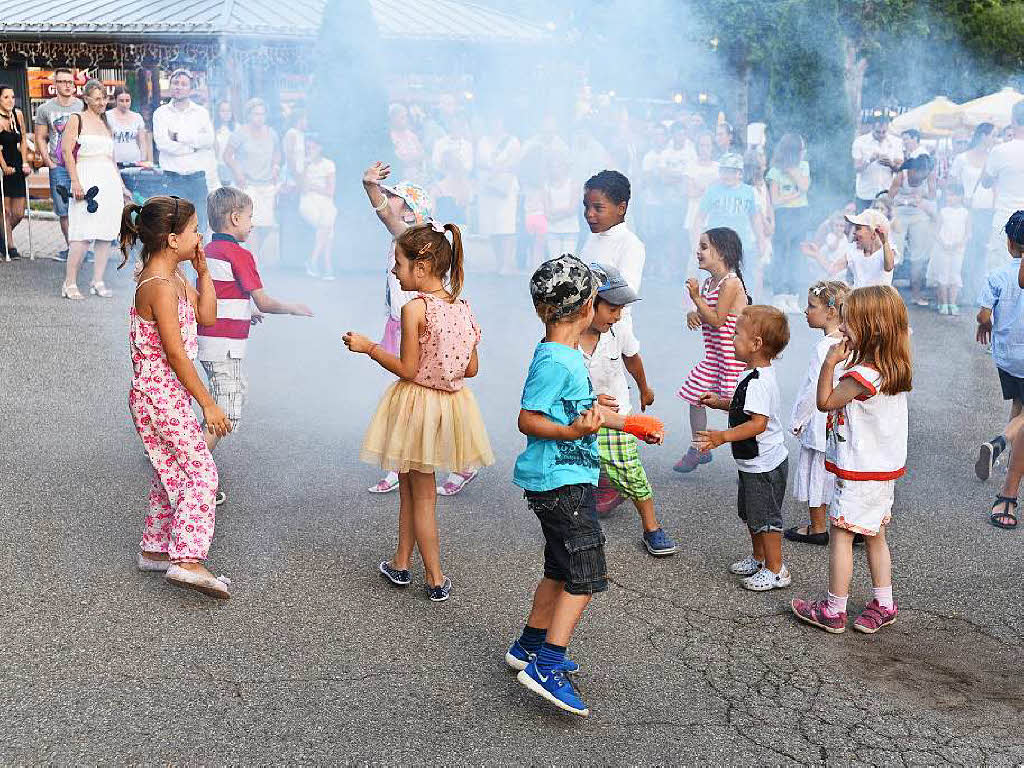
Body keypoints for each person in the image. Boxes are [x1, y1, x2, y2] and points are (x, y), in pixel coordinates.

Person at [506, 254, 659, 718]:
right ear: (590, 304)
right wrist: (574, 433)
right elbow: (527, 419)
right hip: (561, 482)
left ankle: (529, 646)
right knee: (586, 573)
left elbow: (583, 412)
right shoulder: (556, 360)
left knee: (559, 566)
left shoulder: (567, 355)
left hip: (566, 477)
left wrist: (628, 424)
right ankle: (548, 665)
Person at [342, 222, 494, 602]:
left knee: (422, 494)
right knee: (410, 487)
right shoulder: (463, 308)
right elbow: (471, 368)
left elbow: (409, 369)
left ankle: (435, 577)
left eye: (398, 262)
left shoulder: (415, 309)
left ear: (421, 267)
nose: (394, 270)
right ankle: (400, 562)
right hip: (451, 405)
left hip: (418, 405)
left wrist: (369, 347)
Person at [119, 195, 232, 599]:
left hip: (161, 393)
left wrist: (203, 273)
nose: (200, 236)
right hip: (159, 393)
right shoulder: (158, 286)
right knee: (201, 474)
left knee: (171, 470)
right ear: (171, 239)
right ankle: (187, 560)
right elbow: (176, 354)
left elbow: (207, 317)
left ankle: (155, 548)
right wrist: (209, 403)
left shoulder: (175, 277)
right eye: (195, 230)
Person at [791, 285, 912, 634]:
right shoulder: (891, 367)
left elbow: (826, 401)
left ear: (872, 329)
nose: (841, 329)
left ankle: (833, 609)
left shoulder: (862, 377)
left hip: (859, 472)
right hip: (880, 471)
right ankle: (884, 602)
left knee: (841, 533)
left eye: (848, 324)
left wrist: (830, 362)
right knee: (875, 534)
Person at [361, 161, 482, 497]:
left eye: (395, 197)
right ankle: (401, 464)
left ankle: (458, 463)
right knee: (408, 400)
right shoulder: (411, 240)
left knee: (428, 396)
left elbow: (385, 215)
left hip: (421, 325)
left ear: (412, 213)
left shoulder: (415, 240)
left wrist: (370, 186)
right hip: (400, 323)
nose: (388, 198)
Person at [198, 186, 313, 505]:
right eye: (249, 218)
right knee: (226, 414)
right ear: (234, 218)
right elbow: (262, 298)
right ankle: (190, 474)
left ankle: (189, 462)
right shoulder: (240, 254)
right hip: (225, 345)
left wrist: (247, 311)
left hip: (211, 338)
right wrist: (291, 307)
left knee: (229, 396)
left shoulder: (210, 250)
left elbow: (221, 293)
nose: (252, 224)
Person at [694, 305, 792, 591]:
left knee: (766, 518)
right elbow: (743, 406)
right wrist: (719, 401)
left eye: (737, 334)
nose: (732, 338)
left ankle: (776, 570)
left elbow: (757, 423)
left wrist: (722, 436)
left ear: (756, 344)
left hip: (764, 465)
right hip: (752, 462)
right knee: (751, 513)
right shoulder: (749, 373)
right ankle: (759, 558)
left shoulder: (760, 381)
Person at [580, 263, 676, 555]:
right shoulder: (564, 338)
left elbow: (632, 358)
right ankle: (578, 528)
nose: (618, 314)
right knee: (579, 471)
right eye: (611, 307)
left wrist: (645, 388)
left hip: (617, 416)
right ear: (587, 304)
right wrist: (589, 401)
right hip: (579, 417)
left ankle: (652, 527)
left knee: (630, 470)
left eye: (621, 308)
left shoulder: (618, 329)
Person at [675, 227, 750, 473]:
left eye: (704, 247)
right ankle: (699, 447)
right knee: (695, 395)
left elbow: (718, 320)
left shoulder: (730, 283)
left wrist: (696, 299)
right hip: (714, 357)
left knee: (739, 410)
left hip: (733, 360)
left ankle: (750, 463)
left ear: (723, 253)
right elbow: (707, 315)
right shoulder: (710, 283)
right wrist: (693, 314)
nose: (698, 251)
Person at [786, 280, 850, 546]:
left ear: (831, 312)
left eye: (812, 306)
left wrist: (798, 419)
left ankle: (818, 526)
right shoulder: (848, 342)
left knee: (817, 468)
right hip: (840, 418)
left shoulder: (824, 347)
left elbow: (813, 387)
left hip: (820, 417)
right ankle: (846, 523)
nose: (805, 310)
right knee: (837, 471)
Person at [60, 79, 131, 300]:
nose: (102, 102)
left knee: (105, 233)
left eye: (104, 98)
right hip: (86, 176)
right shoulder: (76, 119)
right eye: (98, 98)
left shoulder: (106, 122)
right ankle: (69, 282)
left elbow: (112, 158)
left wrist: (121, 186)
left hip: (108, 179)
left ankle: (97, 280)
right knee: (82, 234)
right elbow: (66, 152)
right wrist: (75, 181)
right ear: (86, 98)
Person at [974, 211, 1024, 528]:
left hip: (1007, 357)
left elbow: (982, 315)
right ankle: (1000, 444)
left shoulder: (997, 275)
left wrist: (987, 324)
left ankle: (1005, 457)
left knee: (1020, 407)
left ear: (1008, 242)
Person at [579, 170, 645, 339]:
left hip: (612, 333)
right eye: (586, 206)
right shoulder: (592, 238)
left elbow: (625, 295)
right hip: (583, 327)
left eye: (598, 208)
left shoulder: (630, 244)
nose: (589, 214)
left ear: (621, 208)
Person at [153, 70, 216, 230]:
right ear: (170, 86)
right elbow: (163, 144)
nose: (179, 87)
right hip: (172, 178)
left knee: (199, 226)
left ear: (190, 88)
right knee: (173, 227)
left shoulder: (201, 113)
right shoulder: (161, 113)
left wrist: (178, 137)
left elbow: (208, 141)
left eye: (183, 84)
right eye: (175, 83)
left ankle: (197, 256)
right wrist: (194, 148)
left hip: (197, 178)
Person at [33, 68, 83, 260]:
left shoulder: (82, 106)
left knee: (82, 205)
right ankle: (72, 249)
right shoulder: (45, 109)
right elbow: (40, 138)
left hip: (80, 164)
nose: (67, 85)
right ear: (55, 84)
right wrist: (49, 163)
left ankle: (83, 248)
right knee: (63, 209)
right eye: (62, 81)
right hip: (59, 166)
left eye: (70, 82)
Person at [224, 98, 280, 261]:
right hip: (247, 184)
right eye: (256, 114)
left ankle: (249, 255)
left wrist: (276, 167)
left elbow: (277, 153)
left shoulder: (272, 133)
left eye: (262, 114)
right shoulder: (240, 133)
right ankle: (253, 258)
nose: (259, 117)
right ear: (249, 115)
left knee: (267, 225)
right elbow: (227, 155)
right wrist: (238, 172)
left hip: (267, 183)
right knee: (252, 224)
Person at [693, 153, 765, 281]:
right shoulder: (713, 191)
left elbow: (755, 218)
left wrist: (761, 240)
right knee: (713, 280)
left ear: (740, 174)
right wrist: (697, 241)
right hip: (716, 244)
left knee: (743, 281)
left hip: (742, 243)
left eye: (732, 172)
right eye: (724, 171)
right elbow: (700, 217)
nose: (727, 175)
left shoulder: (749, 192)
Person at [951, 122, 996, 304]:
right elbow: (952, 185)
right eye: (993, 134)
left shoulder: (993, 158)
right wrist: (961, 200)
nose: (995, 138)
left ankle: (978, 292)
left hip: (987, 211)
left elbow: (996, 185)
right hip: (966, 211)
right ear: (984, 136)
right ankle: (963, 293)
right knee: (965, 251)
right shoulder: (962, 158)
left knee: (981, 252)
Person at [767, 133, 811, 313]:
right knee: (781, 254)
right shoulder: (775, 171)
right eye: (801, 149)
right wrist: (796, 194)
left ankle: (793, 297)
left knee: (796, 255)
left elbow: (805, 186)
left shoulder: (803, 166)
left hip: (800, 213)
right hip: (783, 215)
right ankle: (779, 295)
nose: (804, 152)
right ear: (794, 151)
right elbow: (775, 200)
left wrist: (792, 171)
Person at [981, 102, 1024, 275]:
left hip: (1005, 221)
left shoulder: (1000, 151)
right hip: (1007, 219)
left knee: (1001, 273)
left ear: (1013, 121)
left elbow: (985, 182)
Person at [803, 209, 896, 288]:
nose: (854, 233)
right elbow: (832, 270)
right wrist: (816, 254)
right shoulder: (853, 251)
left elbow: (888, 267)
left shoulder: (886, 249)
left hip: (880, 304)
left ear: (874, 233)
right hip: (859, 303)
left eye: (858, 228)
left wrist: (885, 242)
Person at [889, 153, 937, 306]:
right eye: (920, 175)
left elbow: (932, 196)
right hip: (900, 214)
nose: (921, 178)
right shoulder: (901, 176)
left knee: (919, 256)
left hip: (919, 214)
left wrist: (922, 200)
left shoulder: (928, 176)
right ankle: (888, 294)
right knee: (895, 253)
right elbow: (889, 198)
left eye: (925, 175)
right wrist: (906, 201)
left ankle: (916, 295)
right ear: (913, 170)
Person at [476, 115, 521, 274]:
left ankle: (507, 262)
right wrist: (490, 169)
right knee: (492, 226)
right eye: (492, 121)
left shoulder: (512, 141)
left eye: (498, 121)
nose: (495, 124)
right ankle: (499, 261)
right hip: (488, 185)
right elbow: (479, 162)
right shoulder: (483, 141)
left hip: (505, 186)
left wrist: (499, 169)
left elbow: (515, 162)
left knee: (506, 226)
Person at [927, 183, 971, 316]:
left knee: (955, 275)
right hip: (943, 248)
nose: (949, 198)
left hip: (958, 249)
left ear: (960, 197)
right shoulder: (943, 212)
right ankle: (943, 303)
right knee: (943, 275)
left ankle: (953, 303)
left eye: (952, 195)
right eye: (948, 195)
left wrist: (960, 243)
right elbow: (936, 231)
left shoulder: (965, 213)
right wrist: (943, 243)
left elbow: (968, 233)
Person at [298, 134, 337, 279]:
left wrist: (312, 186)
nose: (310, 151)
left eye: (312, 148)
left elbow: (330, 191)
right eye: (307, 148)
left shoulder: (328, 164)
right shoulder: (303, 164)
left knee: (328, 224)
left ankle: (315, 262)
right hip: (307, 202)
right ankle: (326, 265)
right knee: (326, 226)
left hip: (326, 202)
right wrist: (305, 168)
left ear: (320, 148)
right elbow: (302, 188)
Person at [0, 84, 31, 259]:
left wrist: (25, 161)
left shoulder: (17, 115)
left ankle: (2, 238)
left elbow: (24, 138)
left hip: (17, 163)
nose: (10, 100)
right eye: (6, 97)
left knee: (18, 213)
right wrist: (4, 167)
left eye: (12, 97)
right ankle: (9, 246)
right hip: (3, 167)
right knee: (6, 211)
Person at [684, 131, 720, 278]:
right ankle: (688, 296)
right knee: (695, 255)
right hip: (694, 216)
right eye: (702, 145)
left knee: (713, 257)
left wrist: (701, 186)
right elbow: (690, 191)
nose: (705, 148)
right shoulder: (691, 166)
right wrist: (709, 187)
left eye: (708, 145)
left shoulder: (719, 167)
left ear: (712, 147)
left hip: (713, 218)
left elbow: (717, 194)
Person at [851, 114, 903, 213]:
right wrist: (870, 160)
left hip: (886, 193)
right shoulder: (860, 142)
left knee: (885, 226)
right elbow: (857, 169)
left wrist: (891, 164)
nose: (881, 135)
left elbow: (901, 169)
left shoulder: (896, 142)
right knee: (863, 226)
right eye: (878, 132)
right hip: (866, 194)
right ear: (872, 128)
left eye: (884, 132)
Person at [544, 149, 578, 260]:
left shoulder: (572, 184)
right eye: (552, 166)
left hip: (570, 229)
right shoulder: (547, 186)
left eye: (558, 166)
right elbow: (547, 211)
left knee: (567, 264)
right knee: (554, 263)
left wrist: (556, 212)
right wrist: (561, 212)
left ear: (565, 167)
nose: (555, 170)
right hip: (552, 230)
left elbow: (572, 208)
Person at [107, 86, 150, 166]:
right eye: (121, 101)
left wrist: (143, 160)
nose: (125, 104)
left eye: (127, 101)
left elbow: (142, 141)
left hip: (134, 161)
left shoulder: (137, 117)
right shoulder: (108, 116)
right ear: (115, 100)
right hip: (114, 162)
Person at [214, 100, 236, 187]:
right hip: (218, 167)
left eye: (229, 111)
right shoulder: (212, 128)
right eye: (223, 111)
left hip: (234, 168)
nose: (226, 113)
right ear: (218, 112)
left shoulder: (237, 128)